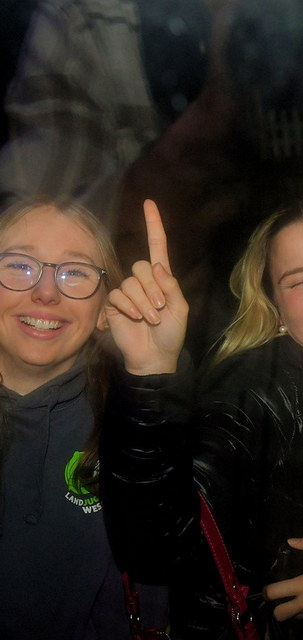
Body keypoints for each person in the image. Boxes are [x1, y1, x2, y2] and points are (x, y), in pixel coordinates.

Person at [99, 194, 303, 638]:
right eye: (298, 281)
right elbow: (156, 546)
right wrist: (151, 375)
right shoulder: (255, 394)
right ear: (277, 309)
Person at [0, 198, 166, 639]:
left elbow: (168, 564)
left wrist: (156, 378)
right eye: (19, 265)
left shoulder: (129, 423)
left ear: (105, 309)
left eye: (75, 272)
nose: (46, 292)